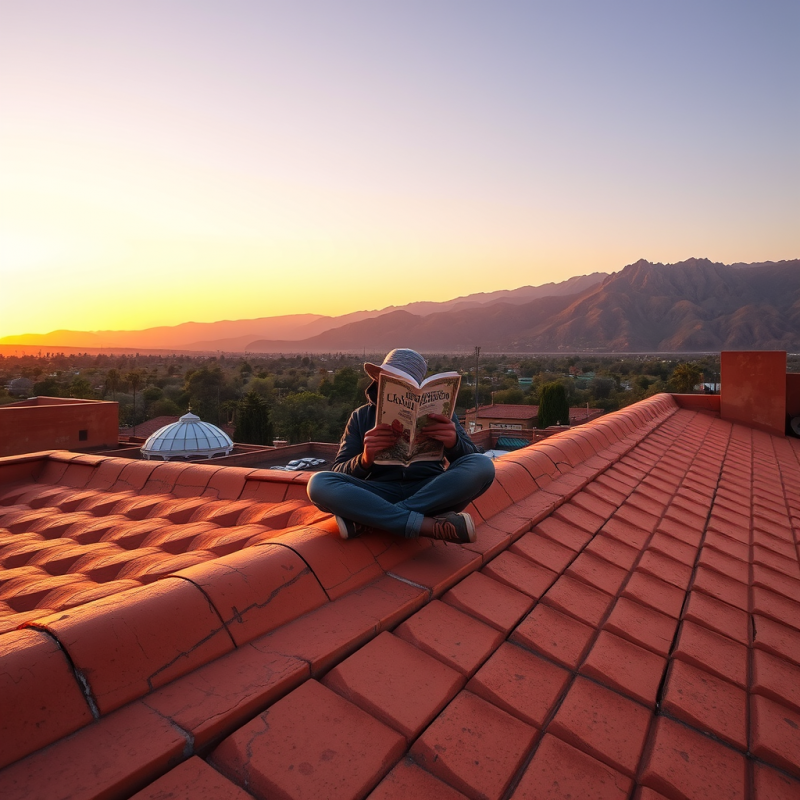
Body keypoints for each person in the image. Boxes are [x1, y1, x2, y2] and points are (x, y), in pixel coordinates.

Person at [307, 348, 495, 543]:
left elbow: (471, 458)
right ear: (379, 379)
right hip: (378, 493)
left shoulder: (443, 415)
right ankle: (424, 524)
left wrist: (454, 443)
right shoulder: (360, 416)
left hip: (429, 491)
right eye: (388, 380)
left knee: (482, 465)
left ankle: (371, 520)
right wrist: (364, 459)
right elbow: (338, 470)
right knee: (319, 483)